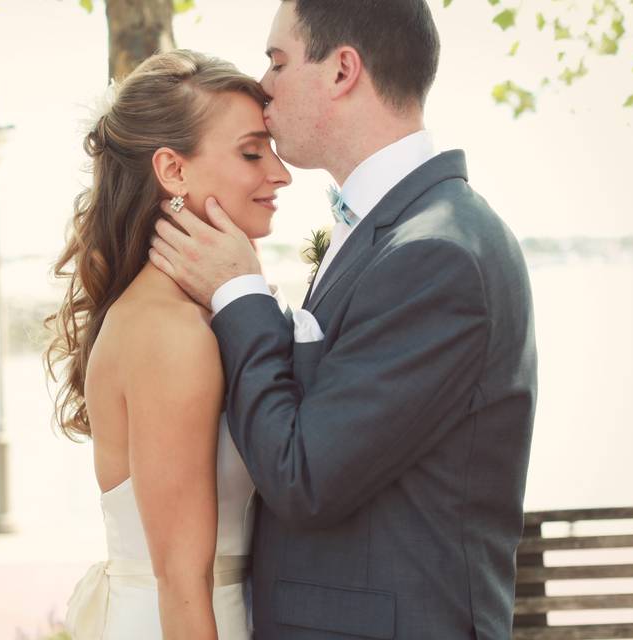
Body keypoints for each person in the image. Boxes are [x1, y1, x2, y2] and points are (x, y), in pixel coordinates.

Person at [149, 1, 538, 638]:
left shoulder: (436, 254)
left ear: (342, 71)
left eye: (277, 62)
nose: (263, 87)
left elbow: (304, 476)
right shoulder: (399, 235)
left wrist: (240, 292)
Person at [44, 49, 291, 639]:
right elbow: (182, 580)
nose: (280, 174)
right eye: (253, 152)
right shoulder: (168, 332)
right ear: (173, 171)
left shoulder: (192, 316)